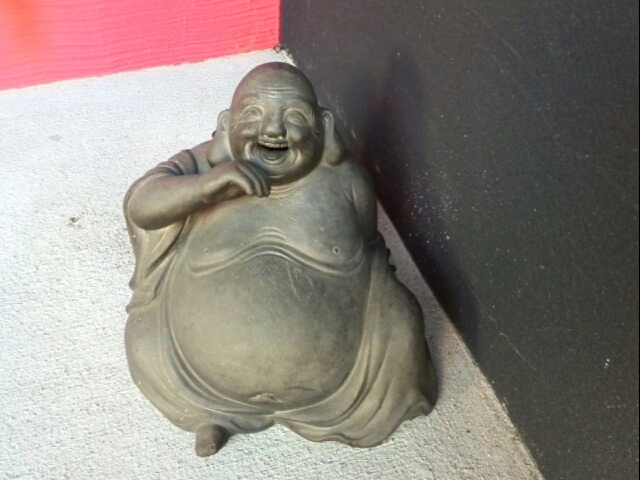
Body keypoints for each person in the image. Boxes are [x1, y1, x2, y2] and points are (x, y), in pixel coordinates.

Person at [124, 62, 437, 456]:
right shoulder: (202, 166)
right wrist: (207, 187)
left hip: (349, 382)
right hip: (189, 372)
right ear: (226, 126)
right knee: (145, 337)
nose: (273, 130)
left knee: (401, 319)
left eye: (294, 117)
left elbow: (371, 258)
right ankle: (211, 414)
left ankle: (343, 408)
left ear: (323, 127)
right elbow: (141, 205)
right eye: (254, 113)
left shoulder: (346, 179)